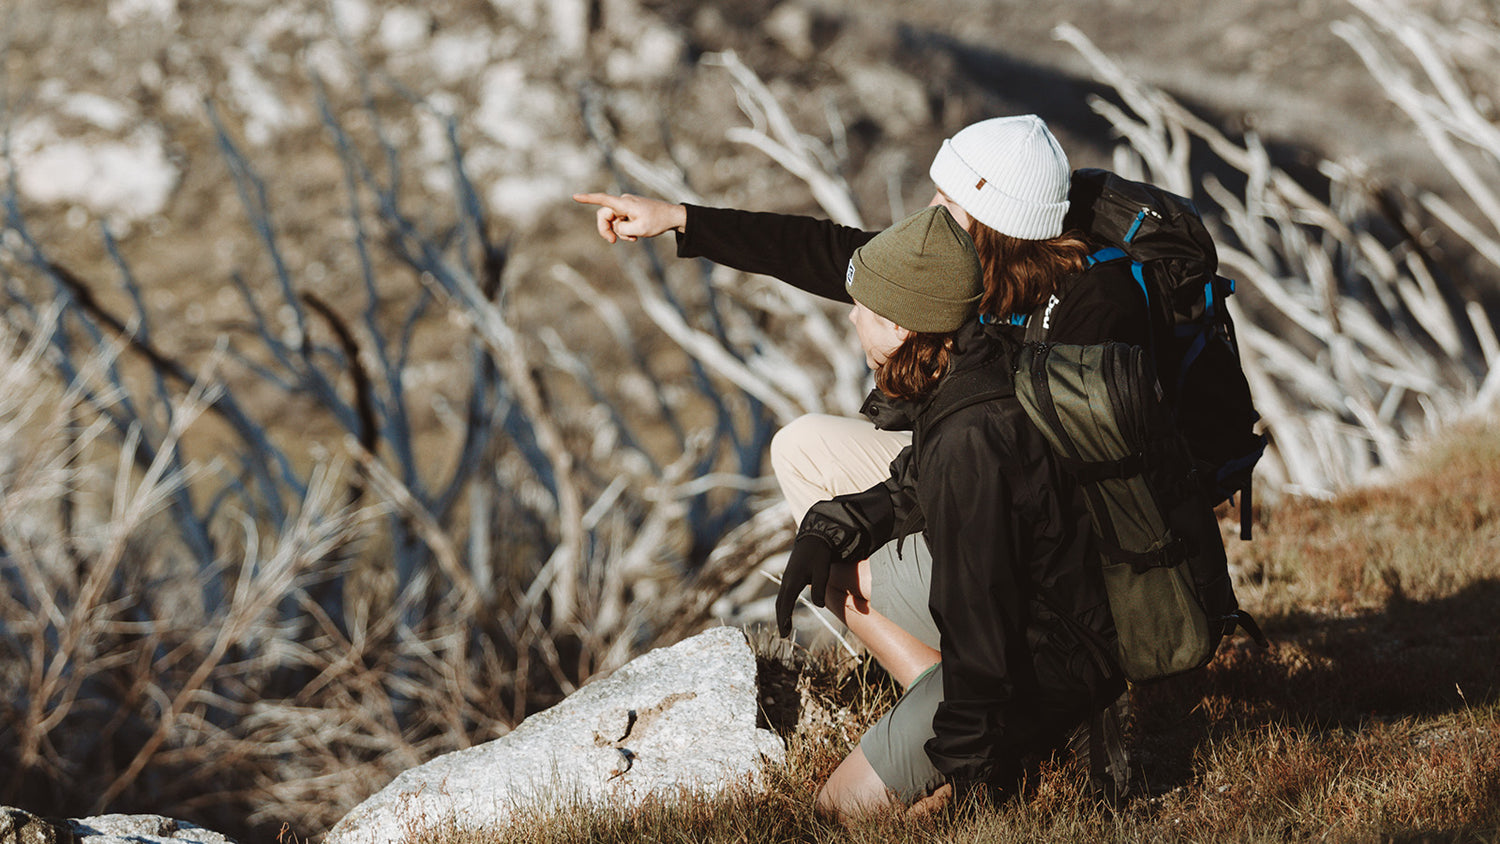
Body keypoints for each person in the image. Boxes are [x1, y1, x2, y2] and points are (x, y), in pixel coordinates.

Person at [763, 204, 1119, 815]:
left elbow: (982, 621)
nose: (853, 317)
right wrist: (828, 529)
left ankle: (1010, 749)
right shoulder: (966, 370)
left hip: (1045, 660)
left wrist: (968, 767)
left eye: (867, 309)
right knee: (842, 572)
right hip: (1040, 627)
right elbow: (910, 488)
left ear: (904, 327)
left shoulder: (969, 438)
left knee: (836, 812)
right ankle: (940, 706)